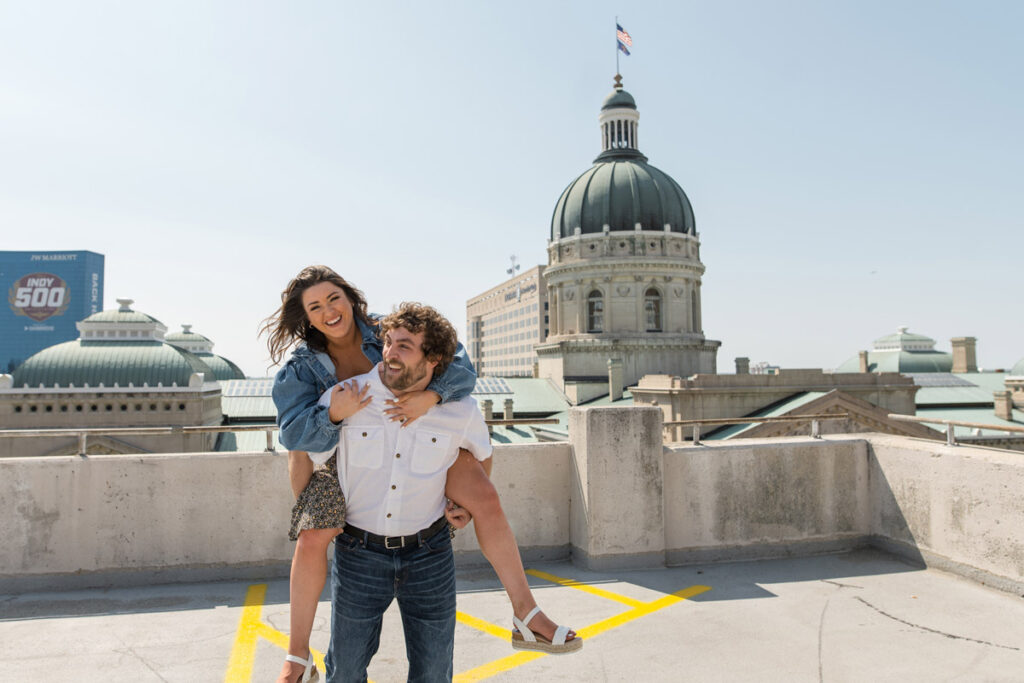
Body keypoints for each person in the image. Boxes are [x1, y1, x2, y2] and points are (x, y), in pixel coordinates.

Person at [264, 267, 579, 683]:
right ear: (306, 317)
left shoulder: (388, 330)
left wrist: (429, 398)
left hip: (416, 433)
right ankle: (298, 655)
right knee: (312, 534)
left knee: (483, 496)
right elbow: (293, 432)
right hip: (337, 445)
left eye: (334, 298)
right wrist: (333, 413)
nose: (329, 311)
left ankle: (526, 611)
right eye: (315, 307)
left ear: (350, 298)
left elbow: (458, 368)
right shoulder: (306, 366)